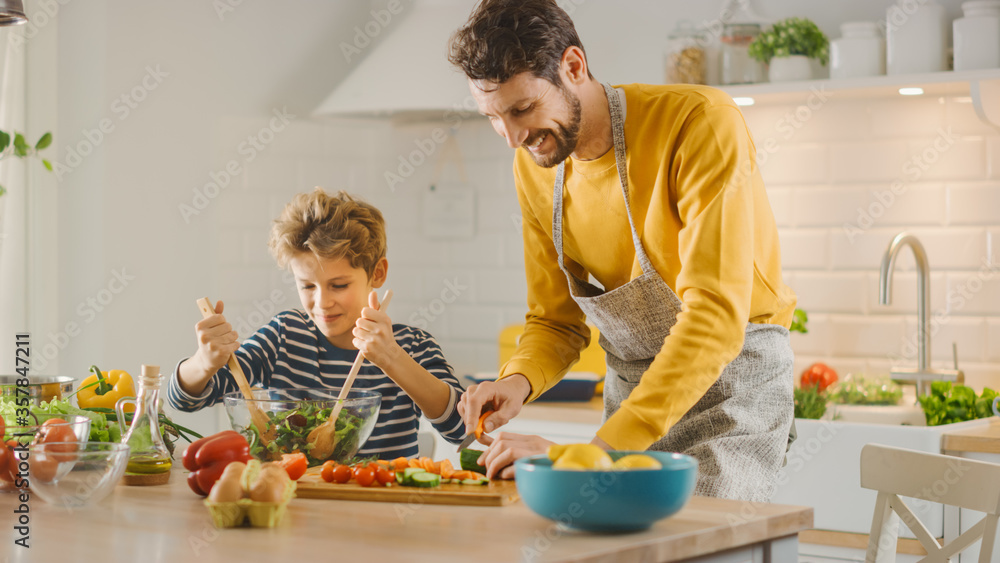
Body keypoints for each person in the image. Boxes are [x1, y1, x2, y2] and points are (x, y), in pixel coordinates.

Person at [447, 0, 797, 502]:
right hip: (631, 393)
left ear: (573, 66)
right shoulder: (535, 166)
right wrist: (519, 380)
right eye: (494, 118)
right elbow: (555, 323)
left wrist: (595, 453)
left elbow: (716, 318)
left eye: (522, 109)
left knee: (702, 541)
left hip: (732, 390)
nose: (513, 138)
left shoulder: (699, 123)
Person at [167, 188, 466, 459]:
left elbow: (461, 428)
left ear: (377, 273)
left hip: (382, 507)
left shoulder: (413, 345)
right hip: (294, 506)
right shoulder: (285, 335)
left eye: (338, 285)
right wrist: (203, 362)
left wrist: (392, 358)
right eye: (308, 286)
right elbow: (187, 400)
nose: (322, 302)